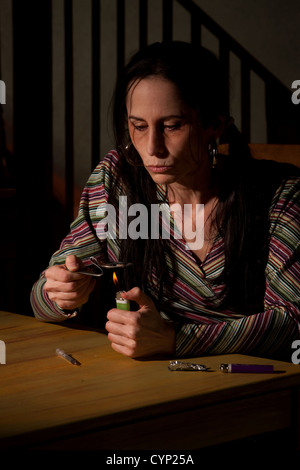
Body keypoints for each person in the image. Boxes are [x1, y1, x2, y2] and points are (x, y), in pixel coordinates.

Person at [31, 41, 300, 360]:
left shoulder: (280, 193)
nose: (152, 147)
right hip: (151, 383)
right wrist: (60, 293)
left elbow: (293, 322)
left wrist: (177, 340)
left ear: (214, 126)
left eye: (172, 126)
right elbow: (41, 303)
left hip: (256, 385)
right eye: (139, 127)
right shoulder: (117, 180)